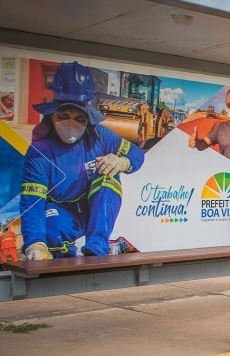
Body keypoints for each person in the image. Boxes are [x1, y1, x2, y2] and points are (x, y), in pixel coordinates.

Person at [20, 61, 145, 259]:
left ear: (88, 117)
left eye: (79, 118)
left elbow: (137, 154)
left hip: (93, 208)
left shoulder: (101, 137)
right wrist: (34, 242)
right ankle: (62, 263)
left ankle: (97, 246)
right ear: (53, 115)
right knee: (53, 229)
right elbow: (33, 202)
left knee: (108, 177)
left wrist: (123, 162)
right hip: (61, 210)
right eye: (64, 116)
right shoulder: (39, 152)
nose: (72, 123)